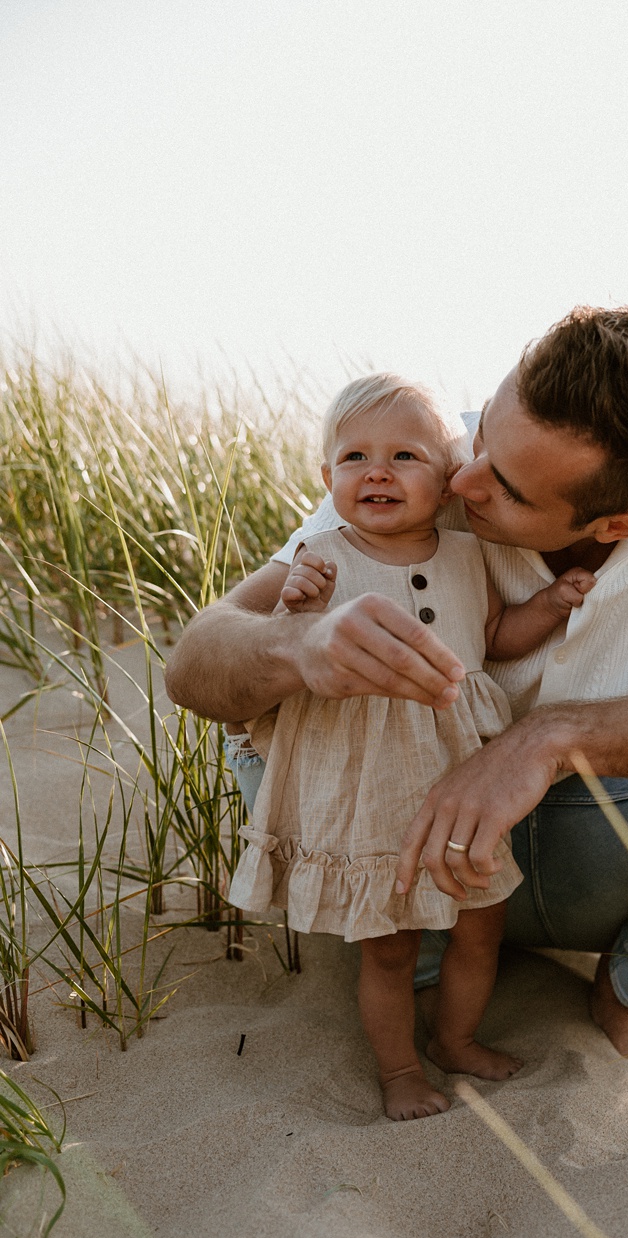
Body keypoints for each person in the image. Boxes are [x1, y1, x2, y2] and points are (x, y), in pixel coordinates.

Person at [166, 306, 628, 1068]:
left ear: (616, 525)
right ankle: (418, 957)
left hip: (595, 842)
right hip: (392, 826)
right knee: (378, 915)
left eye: (510, 489)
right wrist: (295, 644)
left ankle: (626, 989)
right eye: (484, 432)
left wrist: (549, 740)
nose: (464, 478)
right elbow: (196, 664)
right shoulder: (414, 450)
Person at [227, 373, 595, 1120]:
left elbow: (491, 639)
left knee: (480, 923)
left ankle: (456, 1039)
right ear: (326, 477)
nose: (379, 472)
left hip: (459, 766)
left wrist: (550, 607)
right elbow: (273, 639)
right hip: (372, 775)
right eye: (355, 457)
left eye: (405, 456)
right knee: (389, 946)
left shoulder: (465, 554)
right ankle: (400, 1071)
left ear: (448, 482)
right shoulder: (320, 554)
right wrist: (297, 603)